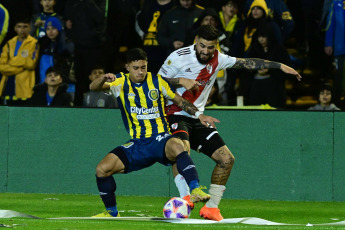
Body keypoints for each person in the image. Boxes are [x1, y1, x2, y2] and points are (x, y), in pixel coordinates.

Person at [158, 25, 301, 221]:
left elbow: (246, 62)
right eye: (202, 46)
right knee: (182, 152)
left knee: (227, 159)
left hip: (198, 116)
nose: (206, 51)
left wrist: (279, 65)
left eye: (210, 47)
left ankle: (211, 208)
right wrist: (180, 80)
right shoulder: (178, 57)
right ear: (195, 41)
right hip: (174, 113)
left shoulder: (219, 58)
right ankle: (186, 199)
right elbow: (156, 82)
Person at [90, 48, 219, 217]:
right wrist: (103, 78)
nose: (140, 72)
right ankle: (111, 213)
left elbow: (179, 101)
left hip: (160, 139)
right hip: (138, 144)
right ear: (127, 67)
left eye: (143, 67)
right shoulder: (120, 82)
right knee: (102, 169)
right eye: (136, 68)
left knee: (178, 147)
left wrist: (199, 115)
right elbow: (93, 87)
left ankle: (195, 189)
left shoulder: (157, 81)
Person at [246, 22, 291, 108]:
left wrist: (270, 70)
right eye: (259, 37)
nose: (261, 39)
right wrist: (255, 70)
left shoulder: (279, 50)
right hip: (256, 86)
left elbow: (286, 68)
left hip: (274, 86)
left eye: (264, 36)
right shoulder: (253, 49)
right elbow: (247, 68)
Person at [0, 18, 39, 106]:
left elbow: (31, 64)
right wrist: (21, 65)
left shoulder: (34, 43)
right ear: (15, 28)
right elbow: (1, 67)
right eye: (19, 27)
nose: (22, 29)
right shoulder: (9, 43)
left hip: (25, 87)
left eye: (25, 27)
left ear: (30, 28)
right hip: (8, 86)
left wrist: (12, 61)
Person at [135, 0, 176, 74]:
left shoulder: (176, 6)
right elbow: (138, 20)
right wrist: (141, 34)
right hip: (147, 53)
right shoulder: (147, 5)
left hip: (167, 55)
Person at [37, 17, 74, 84]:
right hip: (44, 83)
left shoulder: (68, 42)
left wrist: (62, 33)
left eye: (53, 28)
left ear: (59, 29)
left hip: (62, 82)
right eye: (48, 29)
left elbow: (64, 50)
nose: (50, 31)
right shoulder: (42, 44)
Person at [324, 0, 345, 107]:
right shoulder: (337, 3)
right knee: (338, 76)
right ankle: (337, 104)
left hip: (339, 46)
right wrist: (329, 43)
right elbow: (330, 23)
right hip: (340, 46)